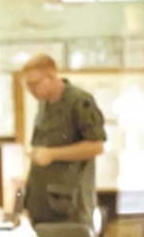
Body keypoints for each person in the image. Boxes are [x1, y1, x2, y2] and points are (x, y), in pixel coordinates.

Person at [21, 54, 107, 226]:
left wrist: (53, 154)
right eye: (27, 85)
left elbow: (96, 146)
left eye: (35, 84)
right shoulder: (44, 105)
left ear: (52, 75)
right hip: (42, 203)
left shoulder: (80, 102)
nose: (31, 90)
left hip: (69, 206)